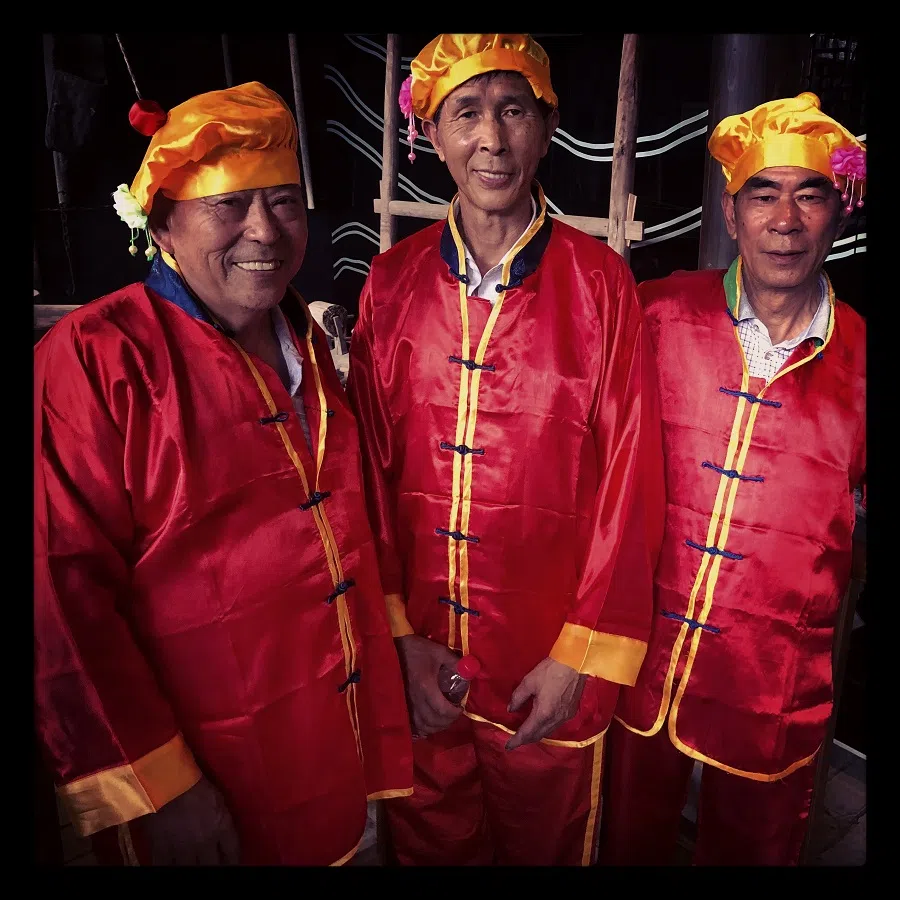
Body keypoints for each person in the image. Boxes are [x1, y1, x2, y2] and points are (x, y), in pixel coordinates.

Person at [34, 81, 413, 866]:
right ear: (164, 221)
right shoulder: (96, 359)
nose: (265, 231)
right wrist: (160, 786)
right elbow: (57, 596)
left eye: (285, 202)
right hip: (200, 776)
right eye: (229, 205)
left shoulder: (305, 342)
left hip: (329, 748)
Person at [347, 33, 665, 866]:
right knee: (425, 844)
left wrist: (578, 657)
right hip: (425, 668)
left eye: (514, 110)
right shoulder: (391, 281)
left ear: (548, 124)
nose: (493, 139)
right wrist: (397, 637)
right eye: (467, 114)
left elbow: (631, 483)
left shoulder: (602, 286)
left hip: (545, 670)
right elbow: (367, 478)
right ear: (433, 132)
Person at [599, 92, 867, 866]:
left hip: (775, 681)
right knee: (627, 840)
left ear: (838, 212)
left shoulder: (862, 357)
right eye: (764, 193)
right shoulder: (656, 314)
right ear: (731, 211)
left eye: (810, 193)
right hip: (645, 660)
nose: (786, 219)